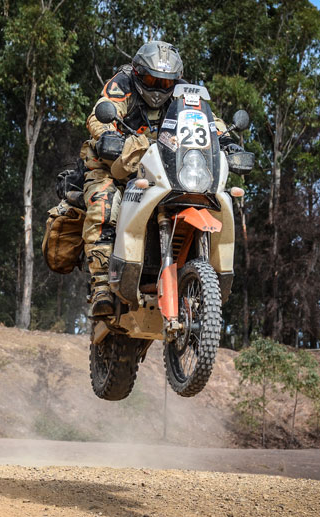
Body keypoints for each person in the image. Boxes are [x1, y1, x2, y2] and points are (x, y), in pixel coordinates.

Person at [80, 40, 234, 318]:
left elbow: (208, 121)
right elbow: (100, 112)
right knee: (103, 201)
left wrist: (225, 138)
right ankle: (102, 285)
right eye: (151, 79)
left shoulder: (184, 91)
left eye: (165, 83)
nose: (158, 88)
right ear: (138, 73)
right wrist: (105, 134)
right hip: (114, 162)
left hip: (161, 166)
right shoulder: (122, 83)